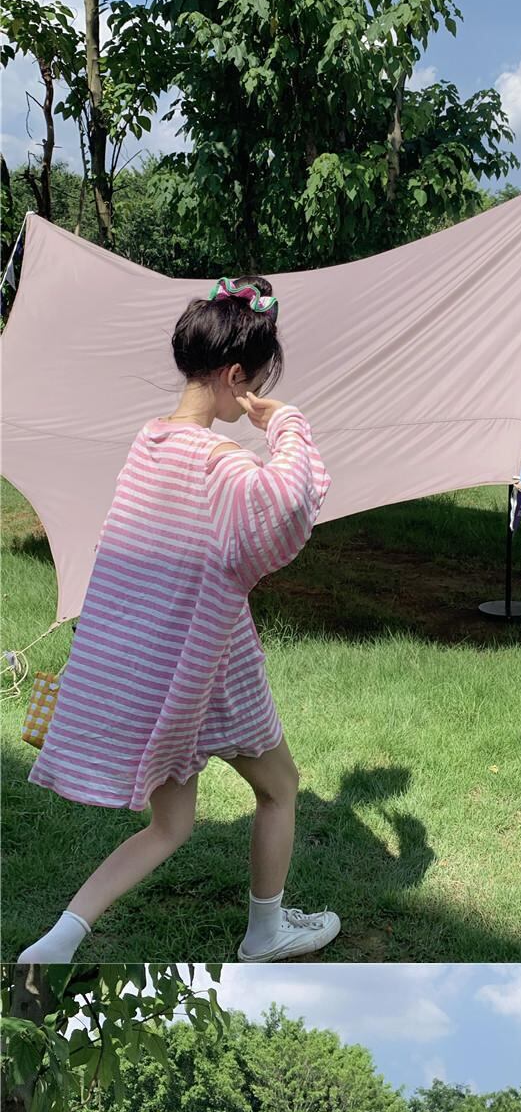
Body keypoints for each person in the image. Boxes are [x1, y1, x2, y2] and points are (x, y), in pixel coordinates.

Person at [17, 278, 340, 968]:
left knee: (169, 826)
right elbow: (289, 504)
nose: (255, 397)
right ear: (234, 377)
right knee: (280, 788)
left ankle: (56, 943)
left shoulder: (150, 442)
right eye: (257, 384)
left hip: (161, 674)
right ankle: (265, 932)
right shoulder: (221, 464)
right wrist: (284, 422)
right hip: (217, 666)